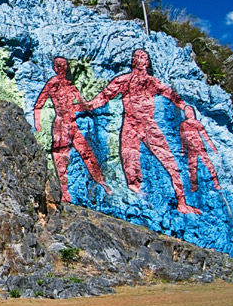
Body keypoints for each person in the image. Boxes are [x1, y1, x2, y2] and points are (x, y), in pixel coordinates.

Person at [77, 49, 201, 215]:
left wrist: (185, 108)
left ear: (147, 62)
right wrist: (86, 106)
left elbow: (171, 95)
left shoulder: (152, 82)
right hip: (130, 126)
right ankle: (136, 200)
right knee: (130, 165)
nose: (139, 59)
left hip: (149, 125)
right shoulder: (123, 80)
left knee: (170, 163)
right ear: (132, 61)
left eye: (142, 57)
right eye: (136, 56)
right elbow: (103, 97)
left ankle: (181, 203)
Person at [34, 57, 111, 203]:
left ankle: (101, 182)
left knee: (87, 152)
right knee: (61, 158)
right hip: (60, 125)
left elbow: (84, 105)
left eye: (64, 65)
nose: (61, 67)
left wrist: (98, 101)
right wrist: (38, 123)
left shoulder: (71, 86)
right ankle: (64, 192)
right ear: (54, 67)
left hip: (73, 125)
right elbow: (39, 104)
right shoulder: (52, 83)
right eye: (58, 65)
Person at [179, 106, 221, 193]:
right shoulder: (183, 125)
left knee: (209, 165)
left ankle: (216, 183)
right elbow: (182, 138)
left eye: (190, 111)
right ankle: (194, 186)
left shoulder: (196, 123)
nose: (189, 113)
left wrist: (213, 148)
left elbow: (205, 136)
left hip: (200, 147)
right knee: (192, 168)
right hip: (191, 150)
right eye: (187, 111)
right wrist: (183, 150)